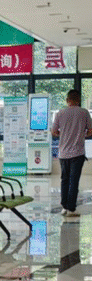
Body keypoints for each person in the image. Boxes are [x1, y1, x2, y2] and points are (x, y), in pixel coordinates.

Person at [51, 88, 92, 220]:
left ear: (67, 100)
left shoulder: (60, 113)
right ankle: (71, 208)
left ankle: (64, 207)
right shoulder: (84, 112)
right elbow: (90, 131)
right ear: (78, 100)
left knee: (64, 180)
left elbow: (54, 131)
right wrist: (81, 135)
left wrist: (63, 134)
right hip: (78, 153)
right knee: (74, 181)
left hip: (63, 153)